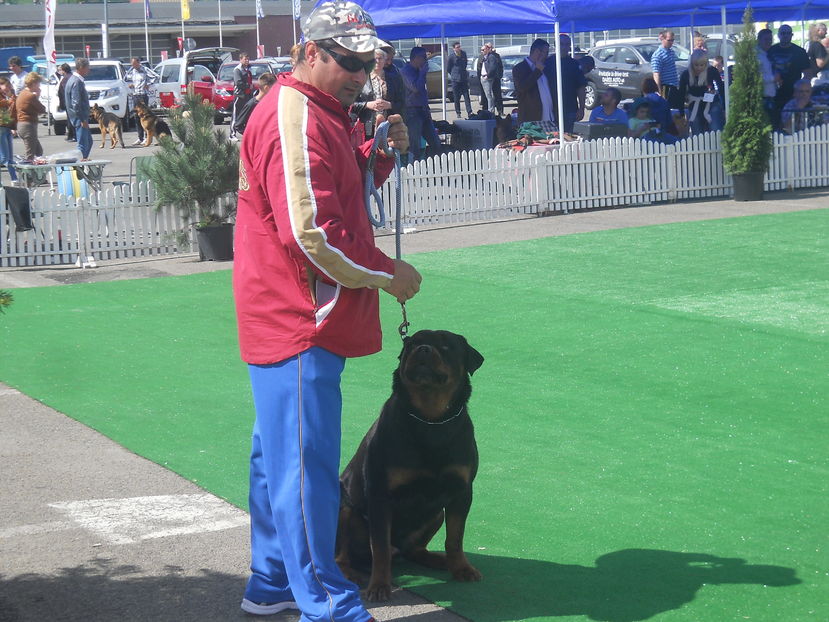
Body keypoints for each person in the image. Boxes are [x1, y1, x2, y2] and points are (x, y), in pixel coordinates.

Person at [232, 2, 421, 620]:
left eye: (370, 63)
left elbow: (334, 196)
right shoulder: (296, 114)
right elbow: (313, 236)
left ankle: (274, 581)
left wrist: (378, 155)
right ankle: (327, 600)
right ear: (311, 51)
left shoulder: (318, 110)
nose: (362, 74)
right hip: (299, 317)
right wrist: (391, 274)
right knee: (304, 468)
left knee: (279, 458)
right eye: (349, 61)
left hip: (293, 313)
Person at [351, 48, 405, 140]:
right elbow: (351, 104)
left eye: (380, 58)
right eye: (374, 58)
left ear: (385, 60)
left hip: (389, 124)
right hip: (367, 126)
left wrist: (390, 105)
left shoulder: (394, 78)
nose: (377, 61)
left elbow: (404, 102)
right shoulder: (362, 78)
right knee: (369, 151)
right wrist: (368, 105)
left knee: (388, 152)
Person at [768, 24, 812, 131]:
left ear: (791, 35)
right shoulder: (771, 50)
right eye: (783, 33)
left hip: (793, 93)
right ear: (778, 35)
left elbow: (807, 73)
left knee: (792, 124)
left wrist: (802, 92)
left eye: (788, 33)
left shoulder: (800, 52)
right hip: (774, 94)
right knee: (775, 122)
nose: (785, 36)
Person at [400, 46, 441, 161]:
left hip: (423, 110)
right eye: (424, 58)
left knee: (435, 143)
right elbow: (416, 88)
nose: (426, 61)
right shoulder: (406, 72)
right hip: (412, 112)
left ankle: (435, 167)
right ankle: (414, 170)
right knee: (415, 146)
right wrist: (422, 74)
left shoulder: (419, 71)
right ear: (416, 58)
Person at [546, 33, 587, 133]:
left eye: (567, 44)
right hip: (550, 109)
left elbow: (581, 88)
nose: (564, 47)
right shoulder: (547, 63)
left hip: (570, 109)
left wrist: (582, 108)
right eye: (561, 44)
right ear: (556, 45)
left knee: (569, 138)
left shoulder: (574, 64)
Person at [678, 49, 724, 134]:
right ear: (692, 64)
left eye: (702, 65)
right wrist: (681, 113)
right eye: (696, 65)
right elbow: (681, 94)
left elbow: (721, 88)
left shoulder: (712, 71)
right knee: (697, 133)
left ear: (706, 64)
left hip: (712, 103)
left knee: (715, 129)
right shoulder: (685, 74)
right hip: (695, 105)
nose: (699, 68)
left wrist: (724, 107)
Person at [512, 38, 553, 124]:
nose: (546, 56)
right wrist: (537, 71)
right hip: (531, 119)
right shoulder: (519, 68)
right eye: (546, 52)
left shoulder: (545, 67)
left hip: (549, 118)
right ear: (537, 52)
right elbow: (522, 88)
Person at [125, 57, 158, 146]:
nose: (133, 66)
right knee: (137, 116)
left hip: (143, 95)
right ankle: (140, 137)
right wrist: (131, 85)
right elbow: (126, 79)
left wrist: (148, 84)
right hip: (135, 94)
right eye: (132, 64)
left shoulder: (145, 70)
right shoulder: (132, 70)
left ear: (138, 63)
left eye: (135, 64)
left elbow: (156, 76)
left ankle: (147, 137)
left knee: (145, 116)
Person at [232, 72, 275, 136]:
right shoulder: (251, 104)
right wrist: (253, 136)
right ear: (266, 88)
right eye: (274, 88)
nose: (275, 90)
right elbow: (238, 125)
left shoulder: (270, 103)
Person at [65, 57, 93, 159]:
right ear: (81, 68)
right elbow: (76, 103)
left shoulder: (73, 80)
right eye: (87, 67)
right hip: (79, 118)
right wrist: (82, 119)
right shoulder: (76, 81)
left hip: (78, 117)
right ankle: (78, 167)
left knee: (88, 142)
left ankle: (83, 161)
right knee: (82, 145)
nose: (88, 70)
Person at [15, 72, 46, 161]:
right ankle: (29, 174)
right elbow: (42, 109)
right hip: (27, 126)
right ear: (34, 83)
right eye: (38, 83)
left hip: (22, 125)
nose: (39, 86)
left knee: (38, 151)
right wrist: (38, 96)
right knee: (30, 155)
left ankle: (34, 172)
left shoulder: (23, 93)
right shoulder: (30, 96)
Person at [651, 30, 682, 109]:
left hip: (674, 85)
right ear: (663, 39)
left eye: (672, 40)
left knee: (676, 108)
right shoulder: (657, 55)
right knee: (667, 108)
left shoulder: (671, 52)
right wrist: (658, 90)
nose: (671, 42)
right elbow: (656, 74)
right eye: (669, 40)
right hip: (665, 86)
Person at [756, 28, 779, 123]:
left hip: (772, 96)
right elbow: (755, 77)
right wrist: (773, 78)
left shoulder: (770, 53)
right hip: (762, 97)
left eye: (770, 39)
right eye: (766, 39)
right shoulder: (755, 55)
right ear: (759, 40)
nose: (769, 42)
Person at [446, 41, 473, 119]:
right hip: (455, 79)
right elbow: (448, 68)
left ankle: (469, 111)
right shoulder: (451, 57)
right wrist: (454, 74)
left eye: (459, 47)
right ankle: (458, 112)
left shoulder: (463, 54)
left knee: (466, 96)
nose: (459, 48)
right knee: (456, 97)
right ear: (454, 48)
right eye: (457, 47)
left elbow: (465, 64)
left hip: (463, 78)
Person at [230, 52, 253, 138]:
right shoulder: (237, 70)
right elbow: (238, 82)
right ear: (240, 60)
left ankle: (247, 134)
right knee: (235, 115)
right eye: (245, 59)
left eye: (248, 59)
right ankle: (232, 135)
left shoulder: (248, 69)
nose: (247, 61)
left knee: (247, 115)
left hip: (247, 95)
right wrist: (248, 85)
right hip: (239, 95)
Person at [0, 76, 18, 184]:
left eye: (9, 86)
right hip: (1, 128)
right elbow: (4, 104)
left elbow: (10, 112)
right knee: (4, 158)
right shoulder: (3, 99)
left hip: (6, 127)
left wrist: (12, 127)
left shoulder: (5, 96)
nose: (8, 88)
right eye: (5, 86)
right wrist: (10, 98)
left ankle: (14, 179)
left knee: (10, 158)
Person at [479, 42, 503, 115]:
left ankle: (492, 111)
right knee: (487, 95)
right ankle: (488, 110)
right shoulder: (483, 57)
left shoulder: (492, 56)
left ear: (488, 49)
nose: (482, 51)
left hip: (491, 78)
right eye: (481, 50)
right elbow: (479, 67)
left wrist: (488, 75)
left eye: (483, 50)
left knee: (491, 95)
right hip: (483, 77)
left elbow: (494, 67)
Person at [57, 63, 76, 142]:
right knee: (71, 119)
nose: (59, 72)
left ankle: (72, 136)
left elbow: (65, 91)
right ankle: (71, 135)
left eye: (60, 70)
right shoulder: (71, 77)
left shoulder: (66, 78)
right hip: (69, 102)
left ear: (63, 70)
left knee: (70, 120)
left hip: (68, 102)